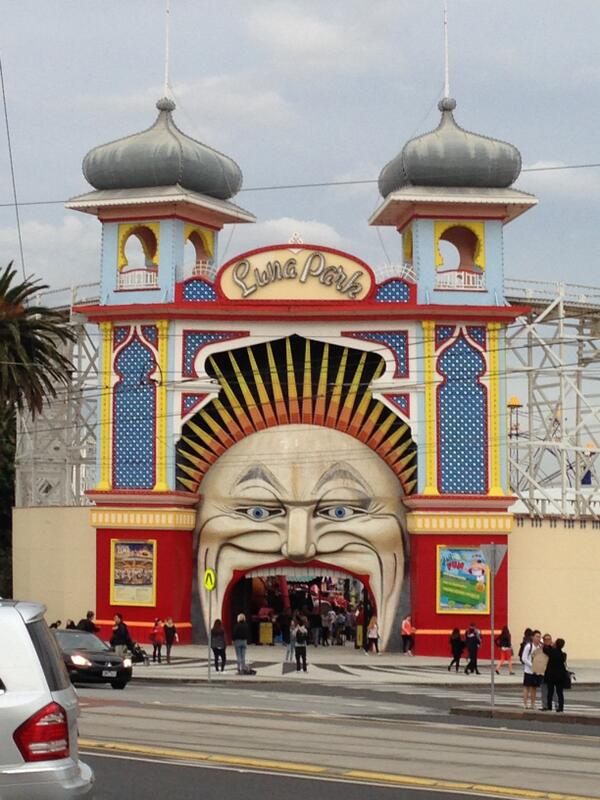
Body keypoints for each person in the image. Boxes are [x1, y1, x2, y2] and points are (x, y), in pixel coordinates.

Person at [544, 637, 568, 713]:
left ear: (556, 644)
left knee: (550, 692)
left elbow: (545, 649)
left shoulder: (552, 652)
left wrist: (550, 645)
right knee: (560, 693)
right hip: (560, 676)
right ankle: (561, 708)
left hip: (551, 676)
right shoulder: (562, 654)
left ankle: (549, 707)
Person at [521, 629, 542, 709]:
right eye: (537, 636)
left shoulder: (540, 647)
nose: (538, 638)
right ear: (532, 637)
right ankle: (525, 703)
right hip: (528, 670)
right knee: (527, 687)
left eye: (539, 637)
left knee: (534, 687)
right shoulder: (528, 646)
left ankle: (533, 704)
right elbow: (524, 658)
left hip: (536, 671)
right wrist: (532, 665)